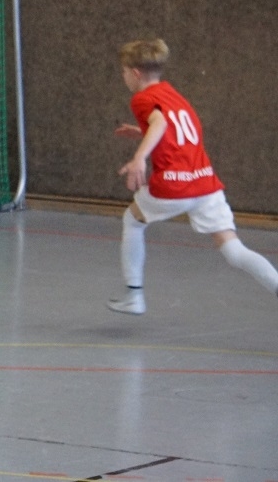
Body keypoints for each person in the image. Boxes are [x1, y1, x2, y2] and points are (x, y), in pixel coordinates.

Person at [109, 38, 278, 315]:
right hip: (205, 184)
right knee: (234, 250)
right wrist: (142, 133)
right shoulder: (172, 94)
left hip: (174, 184)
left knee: (132, 221)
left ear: (135, 73)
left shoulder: (141, 98)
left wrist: (139, 157)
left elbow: (160, 122)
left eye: (124, 72)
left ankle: (134, 295)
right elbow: (178, 130)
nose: (124, 76)